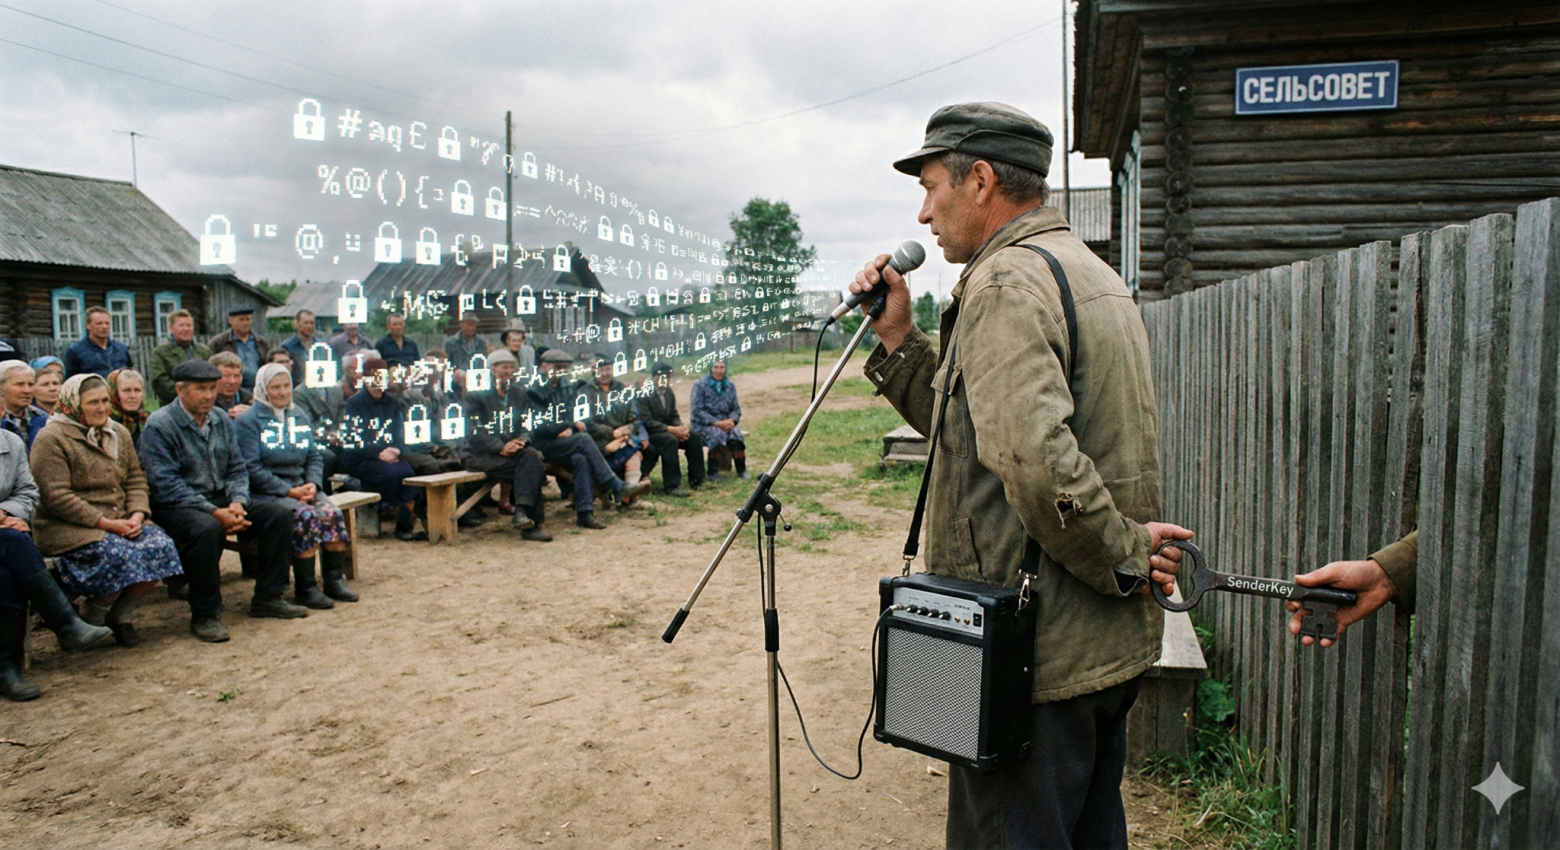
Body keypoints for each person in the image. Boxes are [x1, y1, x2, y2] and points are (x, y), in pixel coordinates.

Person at [854, 102, 1191, 849]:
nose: (923, 209)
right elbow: (979, 431)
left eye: (933, 184)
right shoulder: (1085, 270)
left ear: (979, 180)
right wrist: (901, 340)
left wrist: (1126, 556)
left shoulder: (1006, 282)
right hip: (1095, 650)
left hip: (1033, 658)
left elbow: (1039, 469)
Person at [139, 358, 307, 642]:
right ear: (180, 390)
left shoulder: (219, 419)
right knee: (207, 529)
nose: (208, 396)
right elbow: (165, 484)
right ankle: (205, 614)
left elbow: (237, 467)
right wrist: (215, 512)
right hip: (178, 505)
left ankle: (268, 596)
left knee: (278, 515)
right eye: (200, 389)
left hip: (222, 499)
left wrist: (238, 501)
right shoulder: (161, 425)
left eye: (211, 389)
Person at [29, 374, 183, 647]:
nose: (101, 408)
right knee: (119, 554)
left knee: (162, 546)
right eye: (92, 403)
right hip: (68, 526)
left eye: (104, 401)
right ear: (72, 404)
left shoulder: (117, 433)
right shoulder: (52, 438)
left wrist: (137, 514)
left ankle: (119, 616)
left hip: (120, 520)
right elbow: (56, 497)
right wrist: (107, 524)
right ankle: (92, 617)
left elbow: (135, 479)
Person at [0, 426, 113, 701]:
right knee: (15, 542)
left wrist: (5, 512)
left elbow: (27, 492)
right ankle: (65, 624)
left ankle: (7, 669)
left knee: (5, 575)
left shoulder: (10, 443)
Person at [236, 363, 359, 606]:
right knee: (304, 516)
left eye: (286, 386)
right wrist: (288, 490)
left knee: (331, 512)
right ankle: (306, 588)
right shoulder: (248, 421)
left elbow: (314, 455)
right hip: (268, 491)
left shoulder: (297, 414)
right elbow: (250, 468)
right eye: (275, 387)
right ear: (263, 389)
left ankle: (333, 580)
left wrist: (312, 483)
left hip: (302, 485)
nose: (282, 392)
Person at [525, 349, 649, 528]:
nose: (561, 371)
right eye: (556, 367)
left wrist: (571, 425)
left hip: (564, 442)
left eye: (564, 368)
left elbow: (575, 415)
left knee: (580, 459)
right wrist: (565, 427)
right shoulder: (533, 391)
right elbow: (537, 423)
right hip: (542, 444)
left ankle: (585, 513)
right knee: (583, 439)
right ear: (544, 366)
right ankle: (615, 484)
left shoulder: (566, 387)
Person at [459, 349, 550, 540]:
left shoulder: (519, 394)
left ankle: (522, 514)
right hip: (480, 455)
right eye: (504, 367)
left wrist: (522, 441)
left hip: (511, 452)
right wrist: (501, 447)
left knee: (530, 457)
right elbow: (474, 432)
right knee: (532, 464)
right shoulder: (476, 395)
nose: (508, 371)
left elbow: (527, 425)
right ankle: (528, 522)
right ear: (492, 370)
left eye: (511, 367)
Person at [340, 358, 427, 542]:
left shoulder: (393, 402)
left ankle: (403, 526)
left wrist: (395, 449)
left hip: (390, 456)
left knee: (408, 473)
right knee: (393, 475)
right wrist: (378, 453)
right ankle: (385, 509)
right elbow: (353, 439)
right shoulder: (354, 403)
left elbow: (399, 433)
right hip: (362, 457)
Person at [583, 354, 652, 502]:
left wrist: (623, 433)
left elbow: (634, 418)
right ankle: (618, 492)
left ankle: (631, 497)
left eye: (608, 369)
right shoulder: (585, 392)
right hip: (598, 441)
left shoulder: (622, 389)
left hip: (623, 437)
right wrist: (612, 434)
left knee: (636, 450)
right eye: (601, 369)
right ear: (594, 371)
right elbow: (587, 423)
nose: (605, 373)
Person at [636, 362, 704, 497]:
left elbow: (673, 415)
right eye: (661, 376)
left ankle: (698, 479)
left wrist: (681, 427)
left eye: (667, 377)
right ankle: (672, 485)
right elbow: (647, 422)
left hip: (668, 430)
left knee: (694, 437)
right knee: (670, 440)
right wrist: (672, 430)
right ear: (653, 377)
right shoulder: (643, 394)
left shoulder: (668, 393)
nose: (664, 380)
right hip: (649, 434)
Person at [690, 359, 748, 481]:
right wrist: (716, 423)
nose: (718, 371)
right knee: (717, 435)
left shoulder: (730, 385)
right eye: (715, 367)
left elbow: (736, 408)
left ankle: (741, 470)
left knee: (736, 434)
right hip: (704, 425)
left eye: (722, 367)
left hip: (725, 423)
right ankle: (713, 472)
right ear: (710, 368)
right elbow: (697, 411)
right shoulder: (700, 385)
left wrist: (732, 420)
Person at [149, 309, 212, 406]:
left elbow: (212, 376)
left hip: (202, 405)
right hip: (172, 406)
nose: (186, 329)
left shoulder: (204, 351)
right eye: (181, 325)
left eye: (189, 325)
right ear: (171, 328)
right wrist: (187, 394)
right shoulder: (160, 352)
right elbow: (159, 381)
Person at [207, 306, 270, 392]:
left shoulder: (261, 343)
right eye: (241, 320)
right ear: (230, 321)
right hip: (230, 389)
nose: (245, 323)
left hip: (258, 389)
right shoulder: (219, 342)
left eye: (248, 319)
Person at [63, 306, 133, 378]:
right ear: (88, 325)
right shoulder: (75, 351)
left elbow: (130, 375)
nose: (104, 327)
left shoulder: (121, 349)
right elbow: (70, 381)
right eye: (99, 323)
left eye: (107, 323)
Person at [0, 361, 48, 449]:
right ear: (1, 387)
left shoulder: (43, 419)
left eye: (31, 384)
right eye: (19, 384)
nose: (27, 390)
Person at [105, 368, 149, 448]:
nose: (133, 396)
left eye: (137, 390)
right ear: (115, 394)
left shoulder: (148, 421)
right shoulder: (105, 423)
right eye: (126, 390)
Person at [279, 309, 322, 386]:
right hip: (295, 389)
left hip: (317, 388)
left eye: (312, 323)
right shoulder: (287, 346)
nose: (309, 326)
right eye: (305, 323)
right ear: (297, 323)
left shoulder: (321, 346)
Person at [444, 314, 489, 380]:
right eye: (469, 324)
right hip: (457, 378)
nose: (472, 328)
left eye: (474, 325)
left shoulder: (481, 342)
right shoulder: (451, 342)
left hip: (477, 377)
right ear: (461, 324)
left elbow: (485, 360)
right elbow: (447, 362)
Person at [209, 351, 253, 418]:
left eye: (236, 376)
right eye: (226, 376)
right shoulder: (206, 400)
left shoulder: (250, 399)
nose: (232, 381)